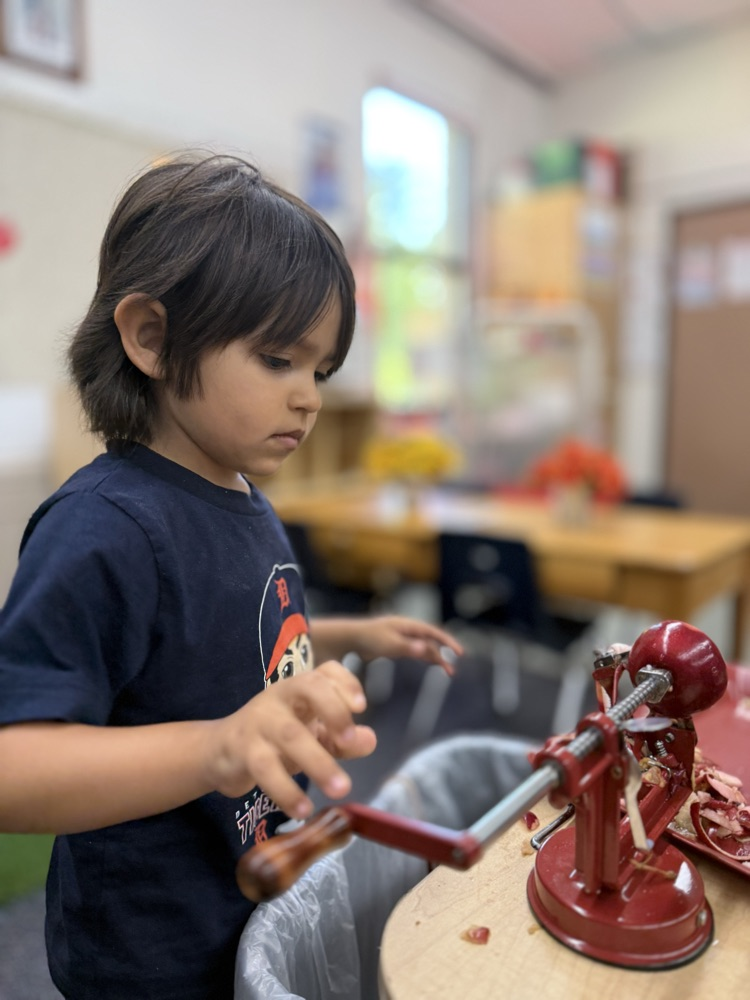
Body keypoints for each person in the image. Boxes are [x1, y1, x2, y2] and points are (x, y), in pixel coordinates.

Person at [0, 152, 462, 1000]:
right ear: (152, 337)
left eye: (320, 370)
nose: (311, 398)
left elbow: (228, 639)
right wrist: (219, 746)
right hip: (147, 952)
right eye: (279, 360)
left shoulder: (241, 495)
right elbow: (13, 766)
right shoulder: (106, 529)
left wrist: (351, 635)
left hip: (247, 898)